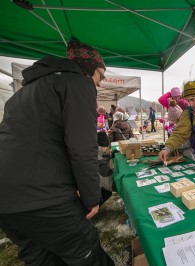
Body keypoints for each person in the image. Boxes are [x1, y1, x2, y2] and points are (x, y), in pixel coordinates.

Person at [0, 39, 114, 265]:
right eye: (100, 76)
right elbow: (82, 147)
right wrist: (92, 197)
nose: (99, 84)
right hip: (43, 198)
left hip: (7, 200)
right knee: (86, 252)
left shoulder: (24, 92)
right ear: (89, 68)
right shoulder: (78, 83)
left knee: (41, 257)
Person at [158, 80, 195, 164]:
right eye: (188, 101)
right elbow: (180, 133)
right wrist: (167, 148)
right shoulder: (188, 112)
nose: (191, 104)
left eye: (193, 99)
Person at [97, 132, 113, 205]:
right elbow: (109, 183)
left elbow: (103, 157)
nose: (107, 149)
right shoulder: (97, 154)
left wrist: (110, 157)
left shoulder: (93, 149)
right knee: (106, 192)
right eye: (107, 146)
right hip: (90, 186)